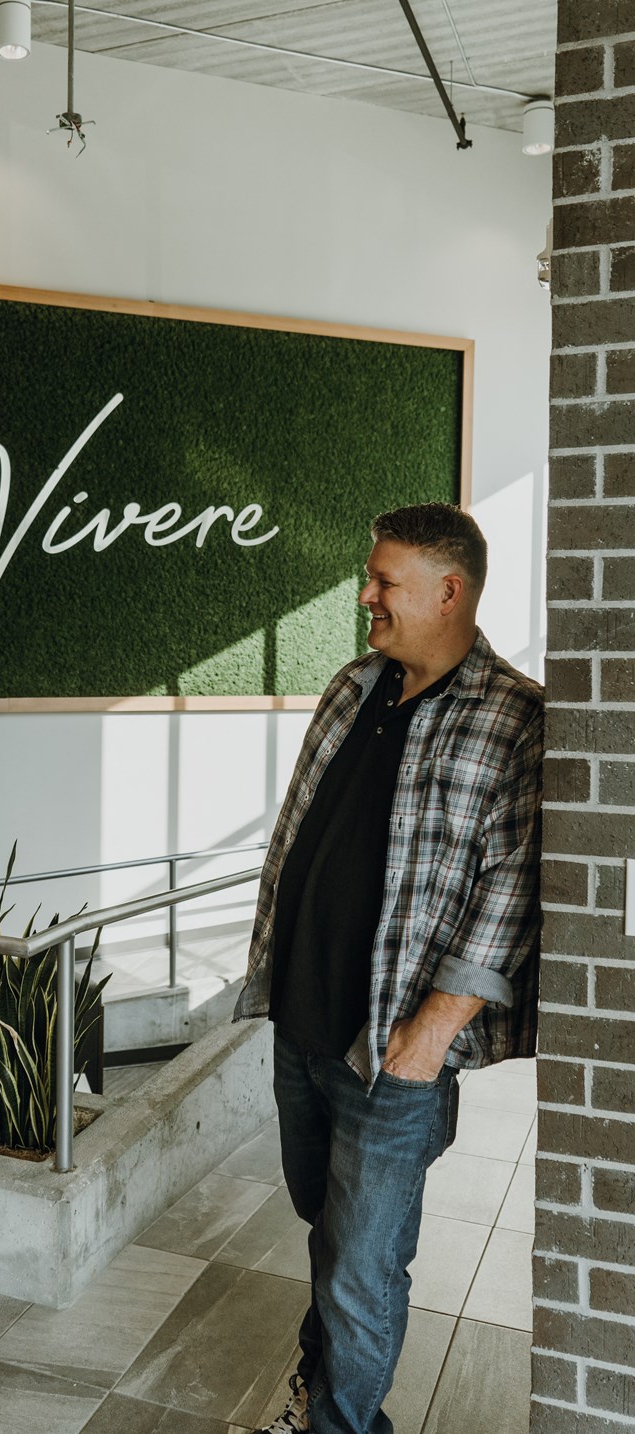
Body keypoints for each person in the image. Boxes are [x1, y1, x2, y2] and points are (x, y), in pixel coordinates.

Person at [234, 504, 542, 1434]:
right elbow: (300, 836)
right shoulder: (352, 685)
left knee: (366, 1262)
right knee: (323, 1222)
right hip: (303, 1019)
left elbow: (511, 893)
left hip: (395, 1048)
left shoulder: (516, 720)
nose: (365, 595)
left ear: (449, 592)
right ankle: (319, 1382)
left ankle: (341, 1423)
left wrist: (430, 1034)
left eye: (383, 581)